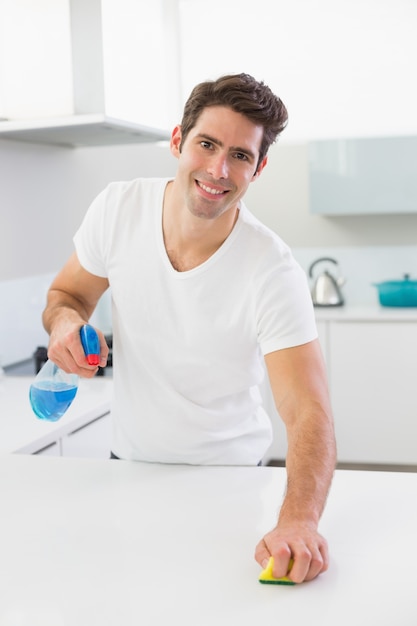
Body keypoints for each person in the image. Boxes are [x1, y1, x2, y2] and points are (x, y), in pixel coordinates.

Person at [42, 73, 336, 584]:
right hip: (126, 467)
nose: (218, 169)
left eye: (241, 156)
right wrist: (66, 324)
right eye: (206, 144)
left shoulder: (271, 268)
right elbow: (67, 296)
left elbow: (307, 410)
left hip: (232, 481)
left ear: (258, 168)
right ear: (178, 141)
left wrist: (299, 520)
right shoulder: (118, 208)